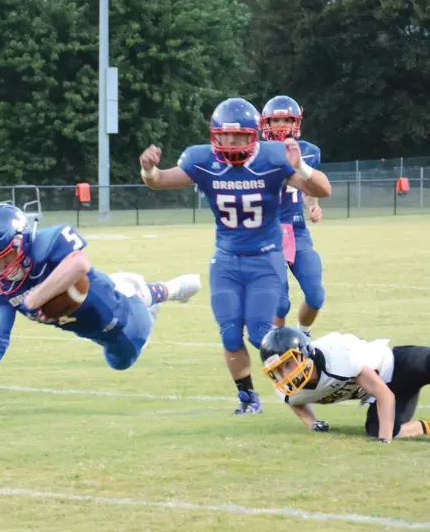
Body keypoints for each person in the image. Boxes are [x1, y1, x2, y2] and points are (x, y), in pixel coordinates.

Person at [139, 97, 332, 415]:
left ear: (254, 134)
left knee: (260, 334)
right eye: (227, 135)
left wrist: (301, 167)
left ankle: (320, 377)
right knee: (230, 333)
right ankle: (247, 399)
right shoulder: (202, 160)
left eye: (241, 135)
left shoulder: (271, 157)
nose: (233, 141)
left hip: (265, 257)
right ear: (215, 134)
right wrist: (148, 170)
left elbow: (323, 190)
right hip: (226, 260)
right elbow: (160, 181)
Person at [0, 203, 202, 380]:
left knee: (129, 348)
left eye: (5, 258)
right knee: (118, 363)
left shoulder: (47, 245)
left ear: (22, 243)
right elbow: (0, 328)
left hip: (117, 312)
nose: (1, 271)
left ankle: (151, 291)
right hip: (90, 327)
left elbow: (79, 263)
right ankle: (142, 292)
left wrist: (34, 299)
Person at [260, 327, 430, 443]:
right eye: (278, 370)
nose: (285, 375)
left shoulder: (339, 359)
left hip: (399, 363)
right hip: (389, 390)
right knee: (380, 429)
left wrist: (383, 442)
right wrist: (312, 423)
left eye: (288, 364)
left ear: (304, 354)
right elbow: (295, 402)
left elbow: (384, 395)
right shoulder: (288, 390)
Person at [262, 96, 325, 334]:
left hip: (296, 230)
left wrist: (313, 205)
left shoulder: (308, 152)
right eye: (276, 120)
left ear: (295, 123)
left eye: (286, 120)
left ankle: (304, 334)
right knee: (280, 303)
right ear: (266, 123)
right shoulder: (257, 153)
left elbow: (309, 185)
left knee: (315, 294)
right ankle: (276, 347)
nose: (280, 125)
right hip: (266, 234)